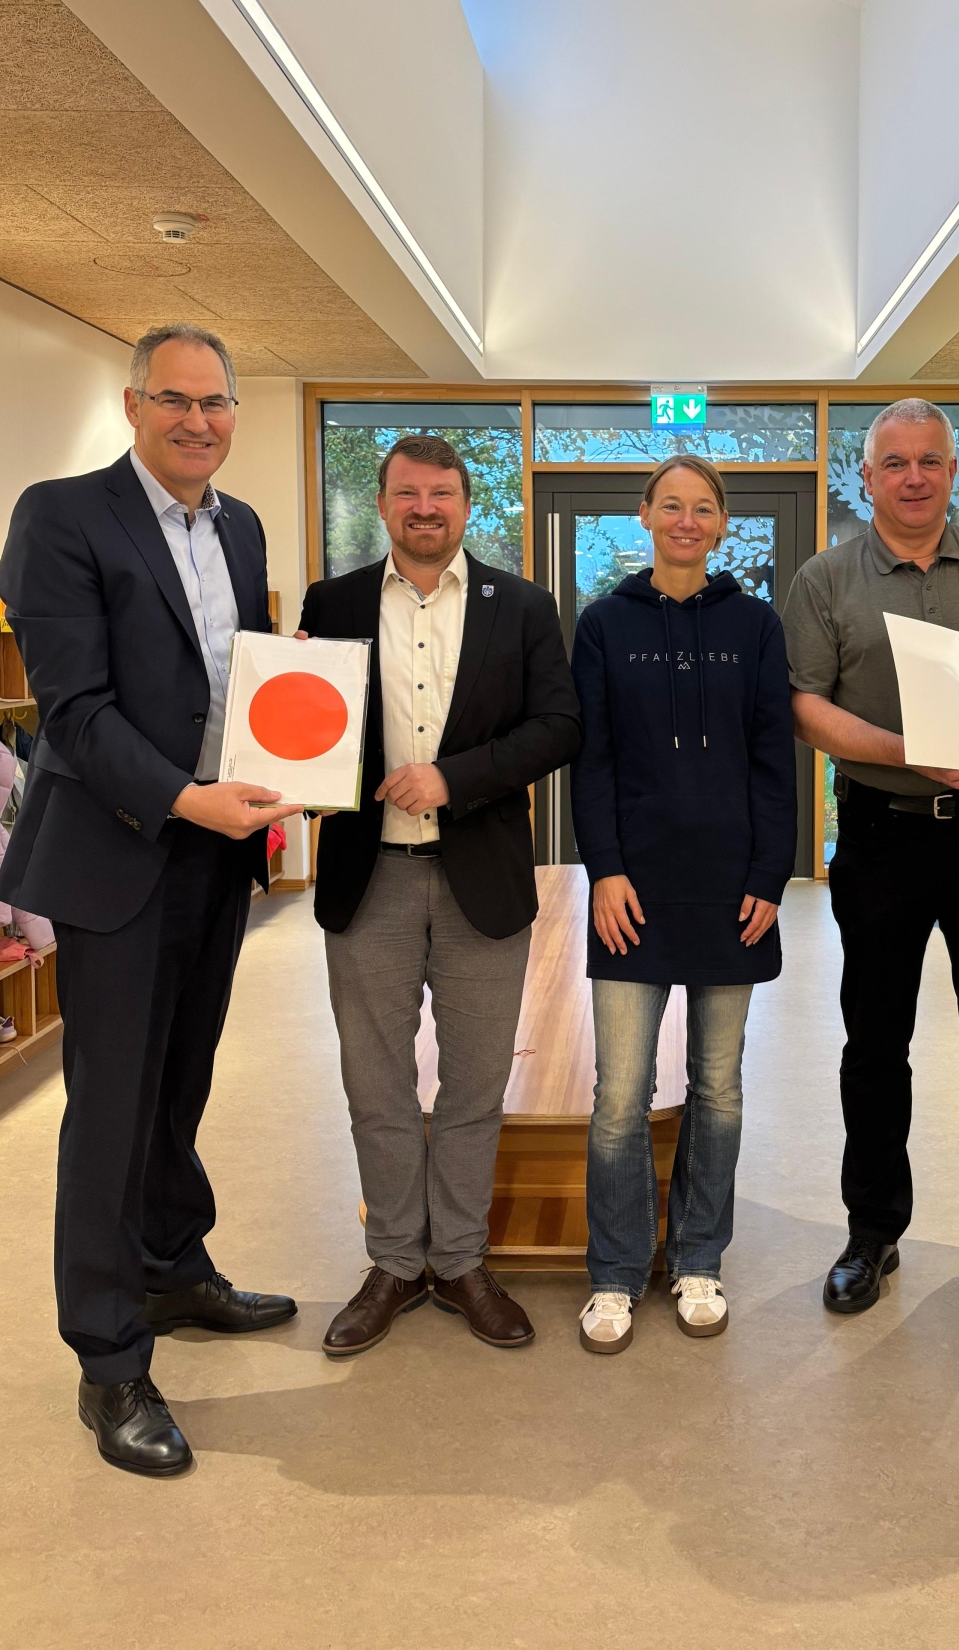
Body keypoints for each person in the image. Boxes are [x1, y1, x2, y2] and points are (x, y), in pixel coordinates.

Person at [0, 322, 304, 1477]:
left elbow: (237, 675)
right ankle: (110, 1359)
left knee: (182, 1082)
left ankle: (175, 1269)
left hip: (217, 857)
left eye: (216, 404)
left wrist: (293, 718)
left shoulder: (242, 523)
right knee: (112, 1109)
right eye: (174, 401)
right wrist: (185, 799)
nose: (198, 421)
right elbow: (72, 712)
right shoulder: (62, 516)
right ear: (133, 406)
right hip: (121, 852)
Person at [299, 436, 582, 1358]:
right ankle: (392, 1260)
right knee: (374, 1082)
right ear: (381, 505)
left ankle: (460, 1260)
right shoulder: (331, 604)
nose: (426, 508)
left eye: (443, 494)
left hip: (481, 879)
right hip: (366, 876)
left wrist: (453, 778)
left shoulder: (524, 607)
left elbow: (559, 726)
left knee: (473, 1083)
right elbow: (307, 724)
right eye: (408, 493)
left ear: (468, 506)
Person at [783, 398, 959, 1324]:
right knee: (874, 1045)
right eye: (894, 463)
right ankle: (873, 1231)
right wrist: (911, 750)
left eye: (929, 462)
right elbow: (806, 707)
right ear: (865, 478)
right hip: (881, 834)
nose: (912, 477)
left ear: (952, 472)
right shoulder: (825, 579)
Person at [568, 456, 797, 1352]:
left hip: (732, 890)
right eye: (673, 506)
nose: (688, 521)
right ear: (645, 515)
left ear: (724, 523)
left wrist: (768, 878)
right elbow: (594, 764)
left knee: (719, 1088)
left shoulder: (757, 626)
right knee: (620, 1095)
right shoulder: (603, 626)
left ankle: (699, 1258)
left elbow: (777, 762)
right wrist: (606, 871)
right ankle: (617, 1273)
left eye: (704, 509)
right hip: (635, 888)